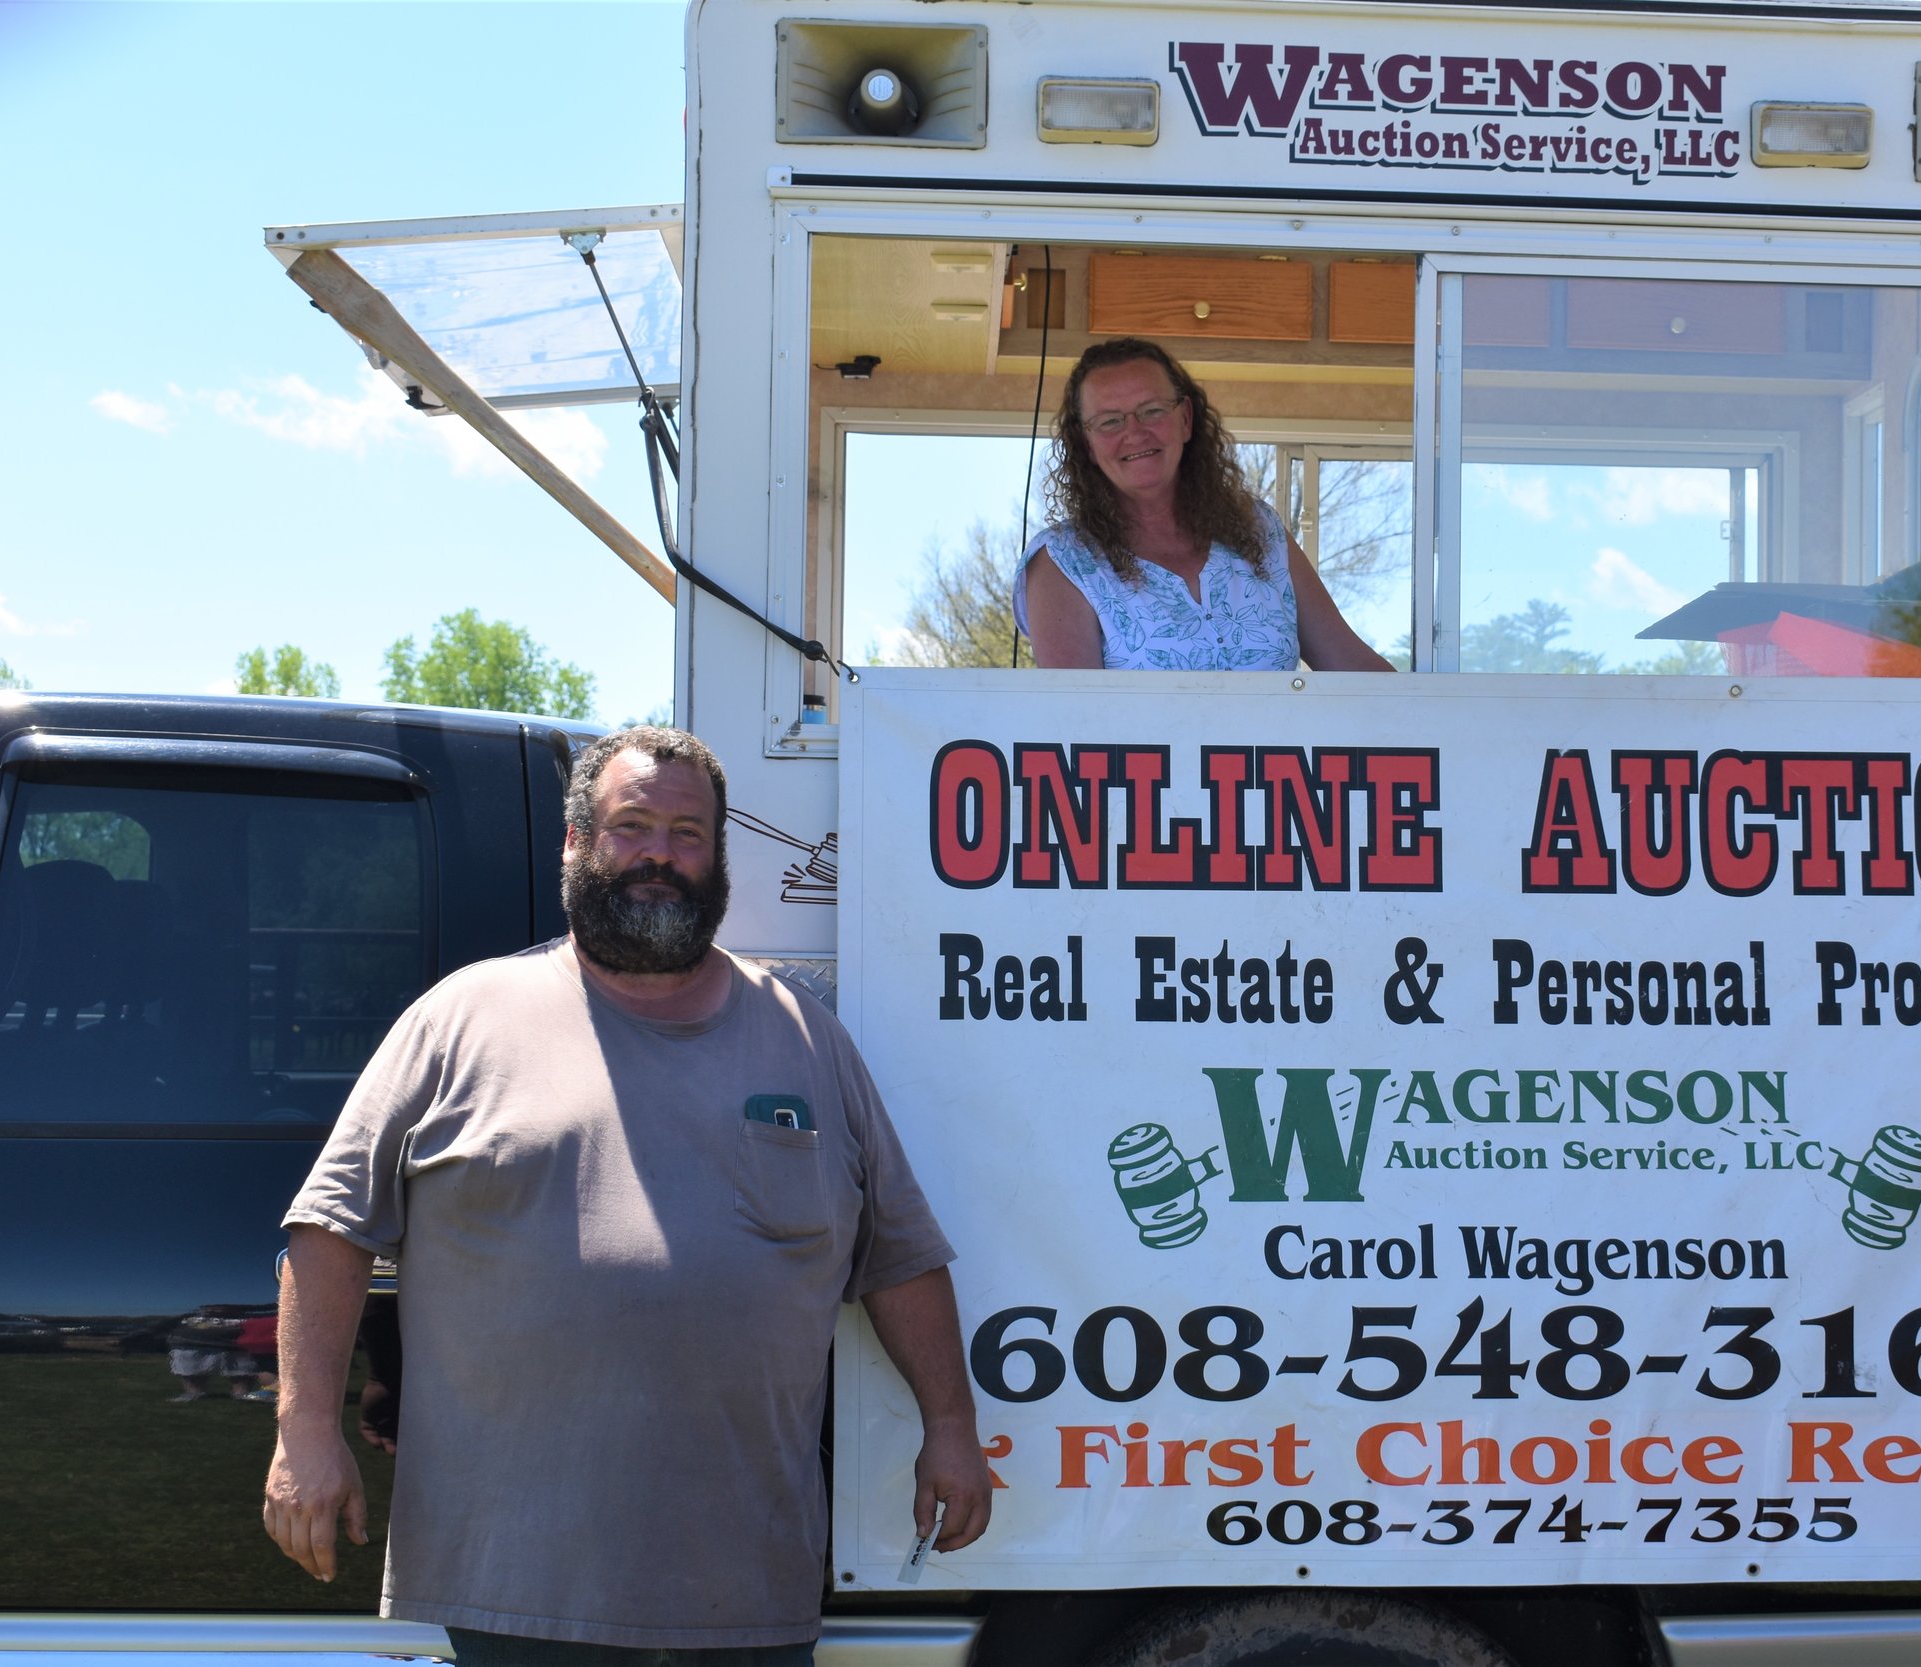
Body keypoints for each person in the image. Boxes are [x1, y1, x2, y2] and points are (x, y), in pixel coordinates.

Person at [263, 726, 988, 1666]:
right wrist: (306, 1432)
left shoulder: (807, 1039)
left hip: (747, 1587)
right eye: (632, 824)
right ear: (575, 844)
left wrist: (953, 1428)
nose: (660, 853)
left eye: (689, 833)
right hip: (517, 1588)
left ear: (719, 858)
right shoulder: (461, 1018)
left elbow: (900, 1256)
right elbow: (330, 1226)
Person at [1015, 337, 1396, 671]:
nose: (1134, 433)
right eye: (1110, 421)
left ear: (1185, 419)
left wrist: (1440, 720)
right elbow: (1073, 729)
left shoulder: (1258, 528)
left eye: (1152, 411)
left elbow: (1353, 667)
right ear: (1086, 445)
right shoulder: (1063, 561)